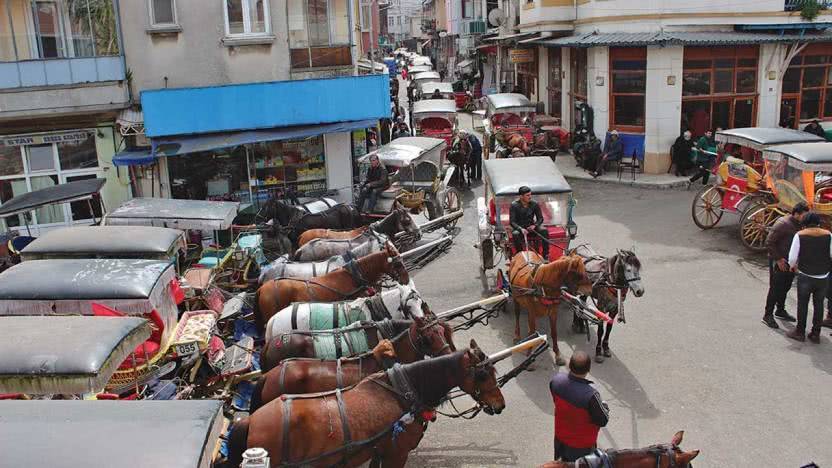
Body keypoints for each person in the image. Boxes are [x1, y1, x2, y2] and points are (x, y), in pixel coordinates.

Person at [549, 351, 609, 462]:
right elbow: (603, 420)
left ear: (570, 365)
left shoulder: (556, 381)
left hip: (560, 438)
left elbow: (555, 399)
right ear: (588, 369)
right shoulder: (591, 396)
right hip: (582, 447)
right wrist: (605, 406)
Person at [786, 212, 832, 343]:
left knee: (803, 304)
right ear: (819, 222)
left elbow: (793, 257)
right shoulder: (828, 235)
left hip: (806, 275)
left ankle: (800, 332)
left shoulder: (800, 235)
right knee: (818, 305)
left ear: (804, 223)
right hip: (823, 276)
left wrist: (792, 266)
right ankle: (815, 334)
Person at [763, 202, 808, 328]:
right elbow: (769, 242)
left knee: (786, 287)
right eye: (803, 215)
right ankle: (767, 315)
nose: (805, 218)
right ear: (796, 214)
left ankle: (780, 310)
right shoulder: (783, 224)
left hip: (791, 263)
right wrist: (778, 259)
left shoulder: (800, 225)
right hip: (779, 262)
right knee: (775, 288)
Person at [509, 186, 549, 258]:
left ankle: (546, 254)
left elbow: (540, 218)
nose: (530, 197)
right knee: (515, 234)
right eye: (527, 195)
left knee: (544, 230)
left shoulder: (535, 204)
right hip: (520, 229)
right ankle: (520, 255)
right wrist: (520, 229)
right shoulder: (514, 205)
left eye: (530, 195)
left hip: (532, 227)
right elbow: (512, 222)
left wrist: (535, 226)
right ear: (521, 196)